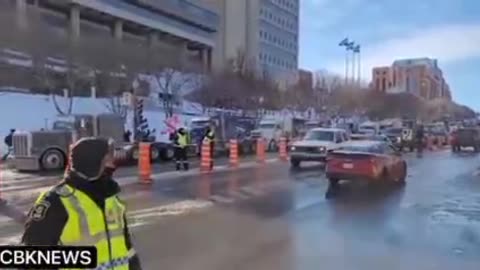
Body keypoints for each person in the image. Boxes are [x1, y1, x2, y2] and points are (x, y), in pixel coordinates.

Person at [21, 137, 142, 270]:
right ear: (92, 164)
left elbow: (125, 246)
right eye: (107, 159)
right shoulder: (56, 201)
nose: (112, 163)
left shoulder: (110, 197)